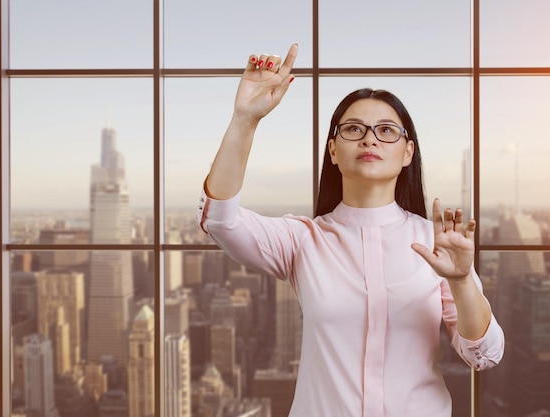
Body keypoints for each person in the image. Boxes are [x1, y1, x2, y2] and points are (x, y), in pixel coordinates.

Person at [197, 44, 504, 417]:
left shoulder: (435, 243)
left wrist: (460, 280)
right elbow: (221, 220)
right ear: (333, 150)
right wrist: (245, 118)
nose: (370, 139)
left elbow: (483, 353)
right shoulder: (302, 240)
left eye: (386, 130)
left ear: (408, 153)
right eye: (354, 129)